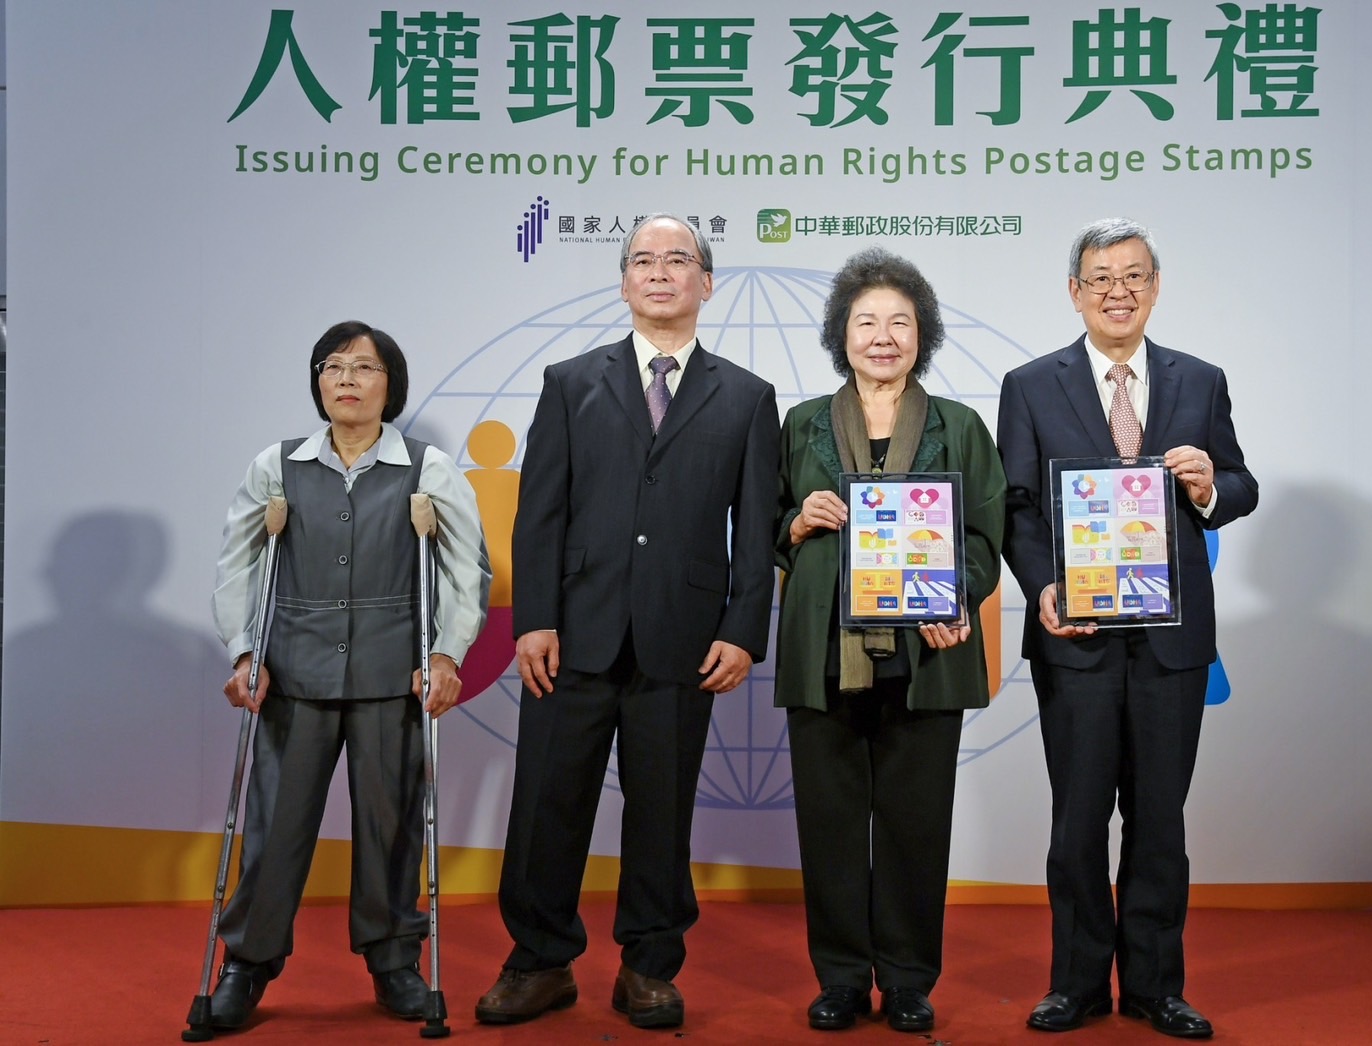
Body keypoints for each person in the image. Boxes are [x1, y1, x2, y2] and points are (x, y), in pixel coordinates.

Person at [476, 214, 780, 1030]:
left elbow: (756, 529)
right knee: (547, 803)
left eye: (678, 259)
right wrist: (535, 618)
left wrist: (743, 628)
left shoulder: (747, 398)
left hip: (684, 637)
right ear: (623, 282)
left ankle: (648, 965)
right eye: (643, 259)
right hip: (572, 633)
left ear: (705, 283)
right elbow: (539, 513)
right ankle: (538, 960)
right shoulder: (570, 382)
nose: (659, 272)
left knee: (661, 811)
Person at [997, 219, 1257, 1039]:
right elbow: (1016, 507)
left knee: (1159, 823)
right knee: (1077, 821)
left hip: (1170, 641)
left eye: (1134, 276)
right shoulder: (1029, 385)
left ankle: (1154, 986)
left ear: (1155, 287)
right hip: (1076, 638)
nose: (1119, 291)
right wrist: (1042, 586)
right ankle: (1076, 984)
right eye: (1101, 278)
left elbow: (1241, 482)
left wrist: (1210, 486)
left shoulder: (1200, 380)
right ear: (1075, 292)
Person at [208, 320, 491, 1030]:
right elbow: (238, 562)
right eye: (332, 366)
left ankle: (394, 961)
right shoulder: (278, 465)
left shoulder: (427, 468)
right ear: (317, 382)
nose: (346, 380)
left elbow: (466, 570)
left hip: (392, 676)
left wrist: (446, 654)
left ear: (391, 385)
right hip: (294, 674)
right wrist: (244, 652)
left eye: (364, 367)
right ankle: (246, 963)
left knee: (390, 829)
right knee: (273, 830)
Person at [775, 247, 1004, 1034]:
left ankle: (907, 979)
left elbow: (986, 538)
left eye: (900, 323)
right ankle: (841, 977)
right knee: (830, 824)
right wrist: (796, 521)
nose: (882, 337)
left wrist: (957, 592)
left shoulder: (959, 426)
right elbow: (767, 528)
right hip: (824, 653)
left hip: (926, 653)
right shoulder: (802, 424)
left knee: (916, 824)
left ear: (922, 335)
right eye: (866, 322)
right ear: (840, 334)